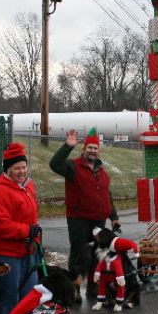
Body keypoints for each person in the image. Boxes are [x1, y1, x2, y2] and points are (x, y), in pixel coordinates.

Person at [49, 128, 120, 303]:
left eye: (95, 148)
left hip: (98, 218)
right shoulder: (73, 166)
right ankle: (74, 287)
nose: (93, 151)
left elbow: (106, 195)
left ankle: (93, 286)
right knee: (80, 253)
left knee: (97, 253)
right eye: (90, 147)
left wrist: (114, 216)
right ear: (84, 149)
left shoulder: (102, 172)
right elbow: (54, 164)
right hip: (78, 217)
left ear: (98, 150)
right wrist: (67, 146)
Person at [0, 142, 42, 314]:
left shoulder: (28, 186)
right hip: (7, 253)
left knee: (30, 294)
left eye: (23, 167)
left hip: (29, 251)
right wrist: (27, 231)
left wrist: (33, 238)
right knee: (9, 296)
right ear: (8, 169)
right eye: (16, 168)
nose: (21, 171)